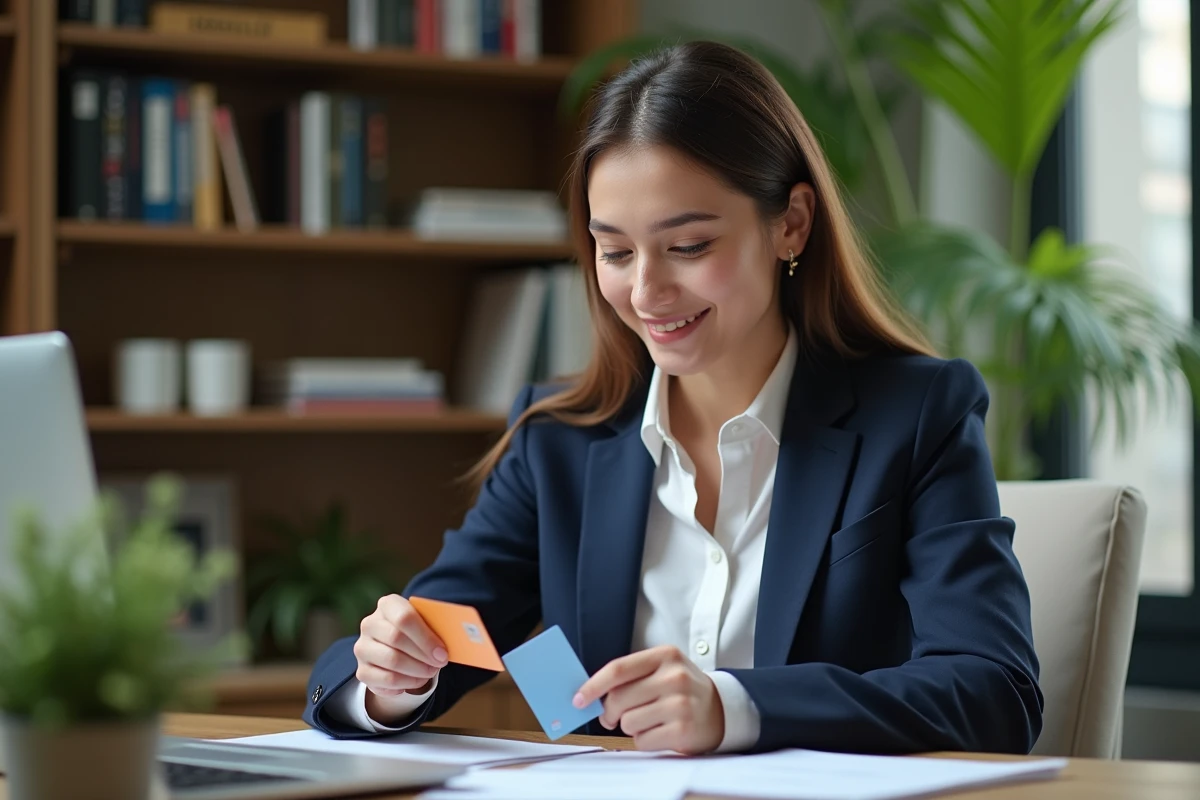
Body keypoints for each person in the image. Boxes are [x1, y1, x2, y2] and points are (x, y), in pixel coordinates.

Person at [304, 40, 1043, 756]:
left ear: (791, 224)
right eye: (616, 251)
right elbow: (399, 648)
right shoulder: (559, 440)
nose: (647, 292)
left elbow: (993, 690)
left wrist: (735, 707)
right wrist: (391, 682)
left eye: (688, 247)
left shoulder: (917, 417)